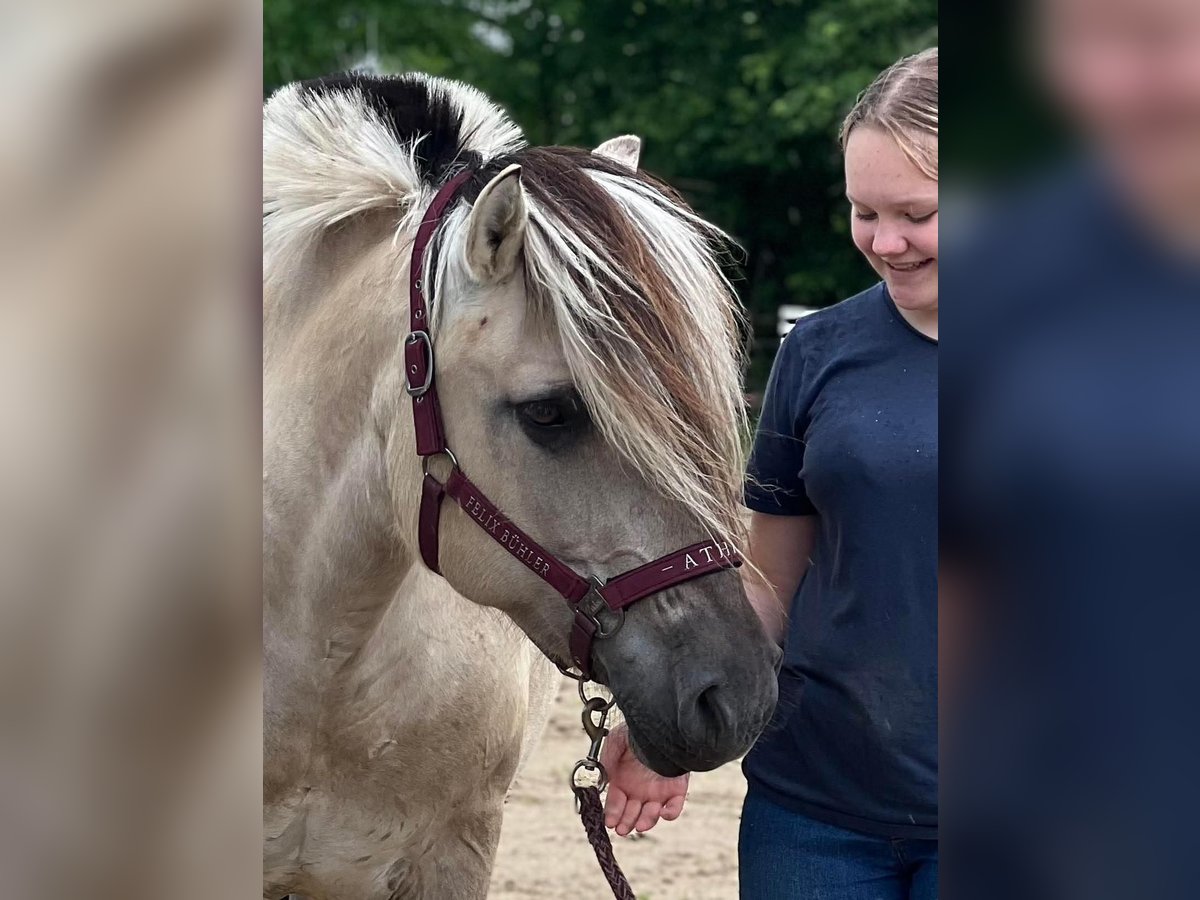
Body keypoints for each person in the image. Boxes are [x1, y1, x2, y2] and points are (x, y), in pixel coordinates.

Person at [601, 48, 939, 899]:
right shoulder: (817, 352)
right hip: (815, 814)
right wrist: (664, 731)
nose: (885, 243)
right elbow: (771, 586)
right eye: (864, 211)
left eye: (918, 214)